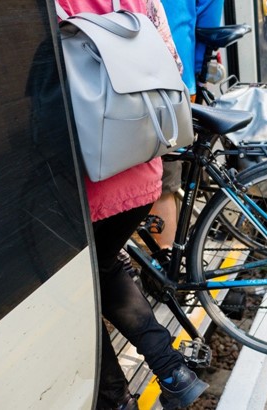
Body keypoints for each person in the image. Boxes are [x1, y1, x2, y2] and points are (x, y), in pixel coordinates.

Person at [55, 1, 208, 409]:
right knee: (104, 269)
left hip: (89, 177)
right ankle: (174, 373)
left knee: (78, 292)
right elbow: (173, 63)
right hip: (141, 172)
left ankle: (117, 400)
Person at [149, 0, 224, 250]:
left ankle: (164, 270)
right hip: (181, 82)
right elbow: (209, 21)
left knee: (161, 183)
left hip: (150, 86)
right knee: (166, 177)